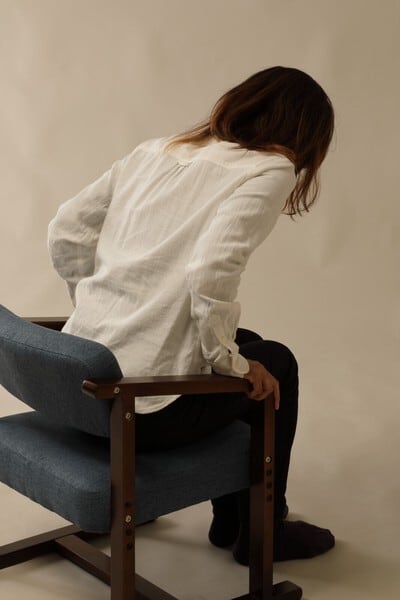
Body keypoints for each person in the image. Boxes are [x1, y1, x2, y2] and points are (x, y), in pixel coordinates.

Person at [48, 66, 335, 564]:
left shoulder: (157, 149)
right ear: (306, 134)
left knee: (246, 340)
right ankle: (263, 534)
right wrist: (235, 365)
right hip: (140, 409)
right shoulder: (270, 169)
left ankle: (232, 518)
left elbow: (66, 231)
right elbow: (210, 272)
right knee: (276, 363)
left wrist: (99, 308)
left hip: (79, 385)